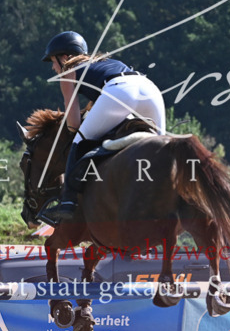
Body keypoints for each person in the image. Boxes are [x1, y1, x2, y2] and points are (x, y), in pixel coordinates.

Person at [37, 31, 167, 225]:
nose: (53, 68)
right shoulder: (104, 63)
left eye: (53, 61)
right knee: (161, 148)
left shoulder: (68, 71)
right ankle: (168, 197)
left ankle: (68, 202)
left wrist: (75, 132)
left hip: (120, 91)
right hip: (150, 89)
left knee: (79, 140)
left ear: (64, 57)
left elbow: (73, 125)